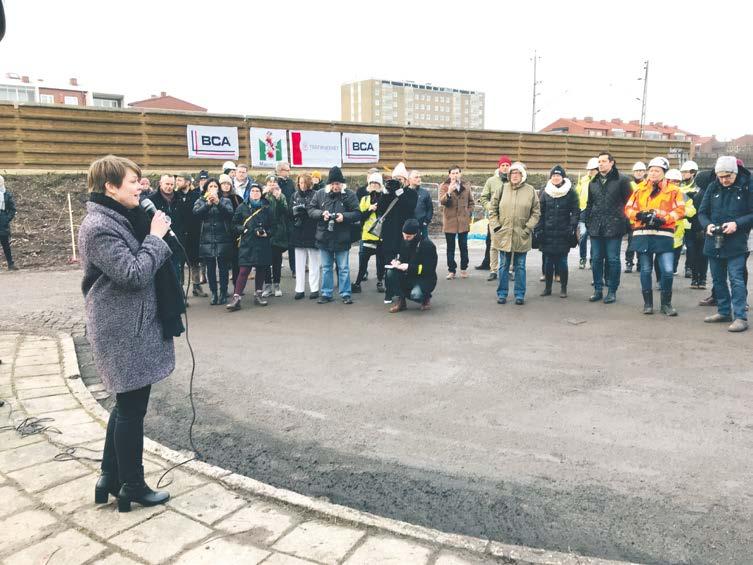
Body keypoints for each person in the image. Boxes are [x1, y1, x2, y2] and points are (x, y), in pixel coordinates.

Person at [79, 155, 182, 512]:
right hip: (122, 329)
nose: (141, 186)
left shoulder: (120, 217)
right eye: (132, 181)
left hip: (130, 324)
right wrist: (155, 237)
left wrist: (150, 229)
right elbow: (134, 273)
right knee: (132, 409)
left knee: (125, 404)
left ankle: (109, 477)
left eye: (141, 181)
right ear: (110, 187)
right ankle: (133, 486)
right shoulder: (98, 226)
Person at [698, 156, 753, 332]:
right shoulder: (713, 186)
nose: (724, 180)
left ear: (735, 172)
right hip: (714, 240)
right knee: (717, 279)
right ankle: (723, 311)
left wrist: (737, 224)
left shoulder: (747, 186)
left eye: (727, 176)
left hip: (737, 241)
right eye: (720, 176)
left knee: (736, 279)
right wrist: (707, 225)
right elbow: (702, 212)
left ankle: (740, 317)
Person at [625, 157, 685, 316]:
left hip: (664, 234)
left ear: (663, 173)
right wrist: (639, 215)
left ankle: (666, 304)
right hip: (643, 234)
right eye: (651, 170)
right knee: (645, 270)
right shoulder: (639, 189)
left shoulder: (674, 190)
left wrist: (664, 218)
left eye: (657, 170)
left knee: (667, 270)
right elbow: (628, 208)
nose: (652, 173)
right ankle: (648, 304)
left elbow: (680, 210)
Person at [584, 152, 632, 304]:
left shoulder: (622, 180)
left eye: (604, 161)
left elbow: (629, 203)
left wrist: (625, 222)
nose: (601, 164)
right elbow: (590, 204)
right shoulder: (593, 182)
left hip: (615, 226)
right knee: (596, 259)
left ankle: (612, 291)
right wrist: (587, 220)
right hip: (596, 226)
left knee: (613, 259)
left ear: (612, 163)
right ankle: (598, 289)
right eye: (599, 161)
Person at [489, 162, 540, 305]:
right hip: (503, 234)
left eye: (517, 173)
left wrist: (527, 228)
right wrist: (496, 226)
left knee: (520, 266)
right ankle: (502, 293)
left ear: (522, 175)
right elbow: (492, 209)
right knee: (503, 265)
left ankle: (519, 294)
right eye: (512, 173)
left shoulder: (530, 191)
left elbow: (536, 212)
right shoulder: (502, 189)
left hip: (521, 235)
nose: (514, 176)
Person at [307, 166, 360, 304]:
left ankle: (346, 294)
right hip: (324, 237)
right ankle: (326, 293)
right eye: (333, 183)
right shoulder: (319, 194)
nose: (336, 186)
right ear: (329, 184)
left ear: (342, 183)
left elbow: (357, 213)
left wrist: (344, 216)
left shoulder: (349, 195)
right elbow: (311, 210)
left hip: (342, 237)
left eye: (338, 183)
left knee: (343, 268)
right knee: (326, 268)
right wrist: (321, 214)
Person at [535, 165, 579, 298]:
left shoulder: (570, 192)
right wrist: (539, 228)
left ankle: (563, 288)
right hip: (547, 232)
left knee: (563, 262)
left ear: (563, 177)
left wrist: (572, 226)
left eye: (558, 175)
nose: (556, 177)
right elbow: (539, 212)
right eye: (553, 175)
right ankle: (547, 288)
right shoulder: (545, 191)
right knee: (548, 262)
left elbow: (576, 210)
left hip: (563, 232)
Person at [226, 183, 272, 311]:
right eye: (253, 191)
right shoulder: (242, 207)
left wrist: (266, 232)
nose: (255, 193)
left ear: (261, 193)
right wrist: (243, 230)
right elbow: (234, 225)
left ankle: (258, 294)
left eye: (257, 191)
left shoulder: (267, 207)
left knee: (261, 269)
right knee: (244, 271)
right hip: (247, 243)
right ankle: (237, 298)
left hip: (262, 243)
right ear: (249, 193)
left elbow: (274, 226)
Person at [376, 163, 417, 301]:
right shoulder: (387, 194)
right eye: (396, 179)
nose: (398, 182)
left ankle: (401, 293)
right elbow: (380, 210)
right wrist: (386, 193)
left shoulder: (411, 193)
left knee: (402, 263)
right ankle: (389, 292)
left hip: (404, 234)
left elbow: (410, 208)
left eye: (401, 179)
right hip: (389, 234)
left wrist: (400, 193)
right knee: (389, 264)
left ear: (406, 181)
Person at [193, 178, 234, 305]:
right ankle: (214, 293)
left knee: (223, 267)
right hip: (207, 238)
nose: (213, 188)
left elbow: (230, 213)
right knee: (210, 268)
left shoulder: (225, 200)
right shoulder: (200, 200)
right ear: (206, 189)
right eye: (210, 186)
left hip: (222, 237)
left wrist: (218, 203)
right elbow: (196, 214)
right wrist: (208, 204)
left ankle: (223, 292)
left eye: (215, 186)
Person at [386, 219, 437, 312]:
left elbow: (429, 269)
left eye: (408, 236)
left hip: (424, 279)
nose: (405, 238)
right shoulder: (405, 241)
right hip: (409, 275)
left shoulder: (427, 245)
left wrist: (409, 267)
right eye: (404, 235)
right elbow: (403, 257)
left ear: (416, 234)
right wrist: (398, 262)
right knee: (390, 273)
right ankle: (401, 300)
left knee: (416, 295)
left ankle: (426, 298)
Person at [478, 156, 512, 280]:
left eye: (507, 165)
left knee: (509, 245)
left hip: (509, 218)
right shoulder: (491, 181)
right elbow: (483, 198)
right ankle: (493, 270)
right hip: (495, 218)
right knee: (494, 245)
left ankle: (508, 269)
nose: (505, 168)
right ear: (499, 166)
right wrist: (490, 208)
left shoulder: (513, 180)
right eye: (502, 165)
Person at [147, 175, 186, 282]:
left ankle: (179, 296)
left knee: (177, 273)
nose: (169, 187)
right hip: (160, 242)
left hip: (176, 241)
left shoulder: (179, 198)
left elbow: (184, 219)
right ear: (160, 183)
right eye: (167, 184)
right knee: (162, 275)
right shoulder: (151, 200)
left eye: (171, 184)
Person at [353, 172, 386, 294]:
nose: (374, 185)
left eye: (376, 183)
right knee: (363, 262)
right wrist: (369, 209)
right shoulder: (364, 199)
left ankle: (380, 282)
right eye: (372, 182)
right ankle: (357, 283)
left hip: (380, 236)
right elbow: (360, 216)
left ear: (380, 184)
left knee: (380, 262)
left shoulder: (385, 198)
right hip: (367, 235)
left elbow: (386, 215)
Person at [439, 165, 474, 280]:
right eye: (453, 173)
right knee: (450, 248)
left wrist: (468, 213)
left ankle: (463, 268)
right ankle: (451, 270)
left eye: (457, 173)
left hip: (463, 221)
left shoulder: (466, 186)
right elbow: (442, 201)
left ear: (460, 174)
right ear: (449, 175)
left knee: (463, 246)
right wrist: (449, 192)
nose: (455, 175)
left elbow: (471, 202)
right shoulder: (444, 186)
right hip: (450, 221)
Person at [175, 173, 206, 301]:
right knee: (180, 262)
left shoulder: (196, 195)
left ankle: (197, 286)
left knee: (195, 261)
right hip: (179, 234)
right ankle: (181, 290)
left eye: (180, 180)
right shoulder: (175, 196)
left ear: (188, 182)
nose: (177, 182)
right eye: (176, 180)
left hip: (194, 233)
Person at [290, 173, 321, 299]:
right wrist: (295, 212)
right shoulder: (294, 195)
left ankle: (314, 289)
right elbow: (289, 211)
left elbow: (316, 211)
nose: (302, 185)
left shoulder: (316, 194)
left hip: (312, 230)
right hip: (298, 231)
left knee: (314, 262)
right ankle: (299, 289)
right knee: (299, 263)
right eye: (300, 182)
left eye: (304, 182)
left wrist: (306, 211)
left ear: (309, 183)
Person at [680, 160, 704, 285]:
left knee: (690, 248)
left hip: (690, 223)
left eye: (685, 172)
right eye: (682, 172)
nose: (683, 174)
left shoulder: (697, 187)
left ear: (693, 173)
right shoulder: (679, 186)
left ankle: (688, 268)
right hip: (679, 222)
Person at [219, 173, 243, 286]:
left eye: (228, 183)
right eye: (223, 183)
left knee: (236, 261)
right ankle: (223, 288)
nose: (226, 186)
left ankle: (236, 286)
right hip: (220, 232)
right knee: (222, 262)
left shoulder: (236, 198)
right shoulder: (216, 197)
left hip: (233, 233)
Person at [575, 157, 599, 269]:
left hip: (595, 213)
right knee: (583, 236)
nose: (590, 171)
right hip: (583, 212)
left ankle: (593, 260)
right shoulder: (583, 180)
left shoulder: (600, 181)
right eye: (589, 169)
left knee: (594, 238)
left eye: (593, 169)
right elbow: (577, 195)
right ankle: (582, 258)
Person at [624, 161, 647, 273]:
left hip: (643, 217)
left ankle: (640, 262)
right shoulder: (629, 184)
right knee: (631, 240)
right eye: (637, 171)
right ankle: (629, 262)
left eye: (641, 171)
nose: (639, 173)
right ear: (633, 172)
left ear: (644, 172)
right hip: (631, 217)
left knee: (641, 241)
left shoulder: (648, 185)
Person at [0, 175, 17, 270]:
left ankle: (11, 264)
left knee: (5, 243)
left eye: (0, 182)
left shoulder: (7, 194)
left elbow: (13, 209)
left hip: (3, 220)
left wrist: (7, 218)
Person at [410, 170, 433, 240]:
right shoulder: (405, 192)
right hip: (409, 226)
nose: (419, 179)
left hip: (422, 226)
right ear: (410, 179)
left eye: (419, 177)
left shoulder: (425, 193)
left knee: (424, 247)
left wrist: (426, 221)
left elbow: (430, 209)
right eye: (416, 177)